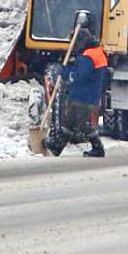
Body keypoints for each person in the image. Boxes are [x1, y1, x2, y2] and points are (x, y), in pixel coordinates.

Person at [47, 27, 108, 158]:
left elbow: (80, 76)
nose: (73, 47)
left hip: (85, 96)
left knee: (82, 124)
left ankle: (98, 148)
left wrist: (65, 72)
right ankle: (57, 147)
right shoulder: (95, 52)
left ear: (80, 42)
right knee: (69, 121)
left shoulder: (88, 56)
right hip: (87, 93)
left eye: (74, 44)